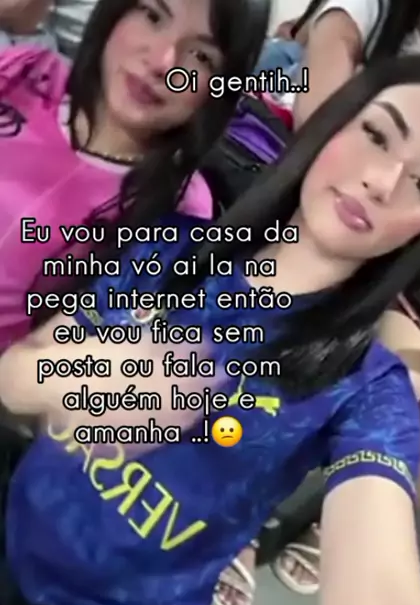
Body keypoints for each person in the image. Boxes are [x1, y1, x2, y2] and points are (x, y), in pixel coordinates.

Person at [0, 55, 420, 605]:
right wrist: (83, 376)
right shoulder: (169, 246)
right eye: (377, 135)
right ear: (332, 125)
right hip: (11, 525)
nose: (382, 182)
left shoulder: (368, 389)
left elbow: (381, 597)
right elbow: (13, 379)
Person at [213, 0, 420, 605]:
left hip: (416, 276)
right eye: (377, 133)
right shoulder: (362, 12)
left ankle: (273, 517)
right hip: (290, 195)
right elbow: (321, 106)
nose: (387, 178)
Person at [0, 0, 270, 351]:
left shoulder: (179, 216)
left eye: (201, 56)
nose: (163, 63)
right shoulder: (25, 71)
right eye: (153, 16)